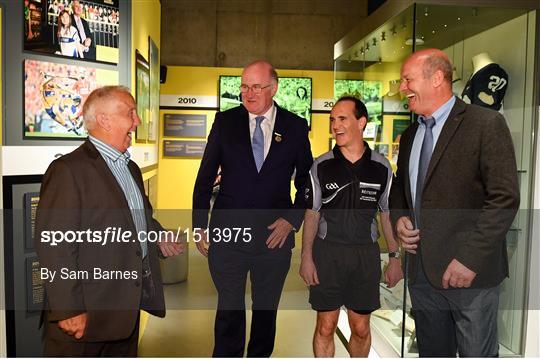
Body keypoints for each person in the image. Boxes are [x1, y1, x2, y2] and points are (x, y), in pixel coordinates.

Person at [35, 86, 184, 356]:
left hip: (124, 315)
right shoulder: (68, 170)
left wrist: (157, 236)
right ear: (104, 120)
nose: (137, 121)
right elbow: (55, 246)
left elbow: (140, 219)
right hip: (85, 319)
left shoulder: (130, 169)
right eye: (130, 113)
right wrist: (69, 308)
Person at [389, 48, 519, 357]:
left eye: (407, 80)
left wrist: (470, 260)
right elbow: (399, 192)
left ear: (436, 79)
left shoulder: (485, 124)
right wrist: (399, 219)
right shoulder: (409, 136)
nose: (402, 88)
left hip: (470, 276)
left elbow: (504, 199)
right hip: (421, 274)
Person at [192, 60, 313, 357]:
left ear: (274, 88)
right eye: (244, 86)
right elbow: (205, 177)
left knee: (265, 310)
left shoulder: (295, 127)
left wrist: (291, 220)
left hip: (274, 238)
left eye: (256, 86)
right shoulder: (225, 122)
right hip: (228, 236)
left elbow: (309, 183)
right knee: (229, 309)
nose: (248, 93)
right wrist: (199, 225)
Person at [300, 96, 403, 357]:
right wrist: (306, 257)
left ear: (362, 122)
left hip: (364, 256)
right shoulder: (321, 165)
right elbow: (311, 214)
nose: (335, 125)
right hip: (328, 254)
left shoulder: (381, 167)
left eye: (342, 118)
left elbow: (386, 214)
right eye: (332, 120)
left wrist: (394, 257)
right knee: (326, 326)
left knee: (361, 328)